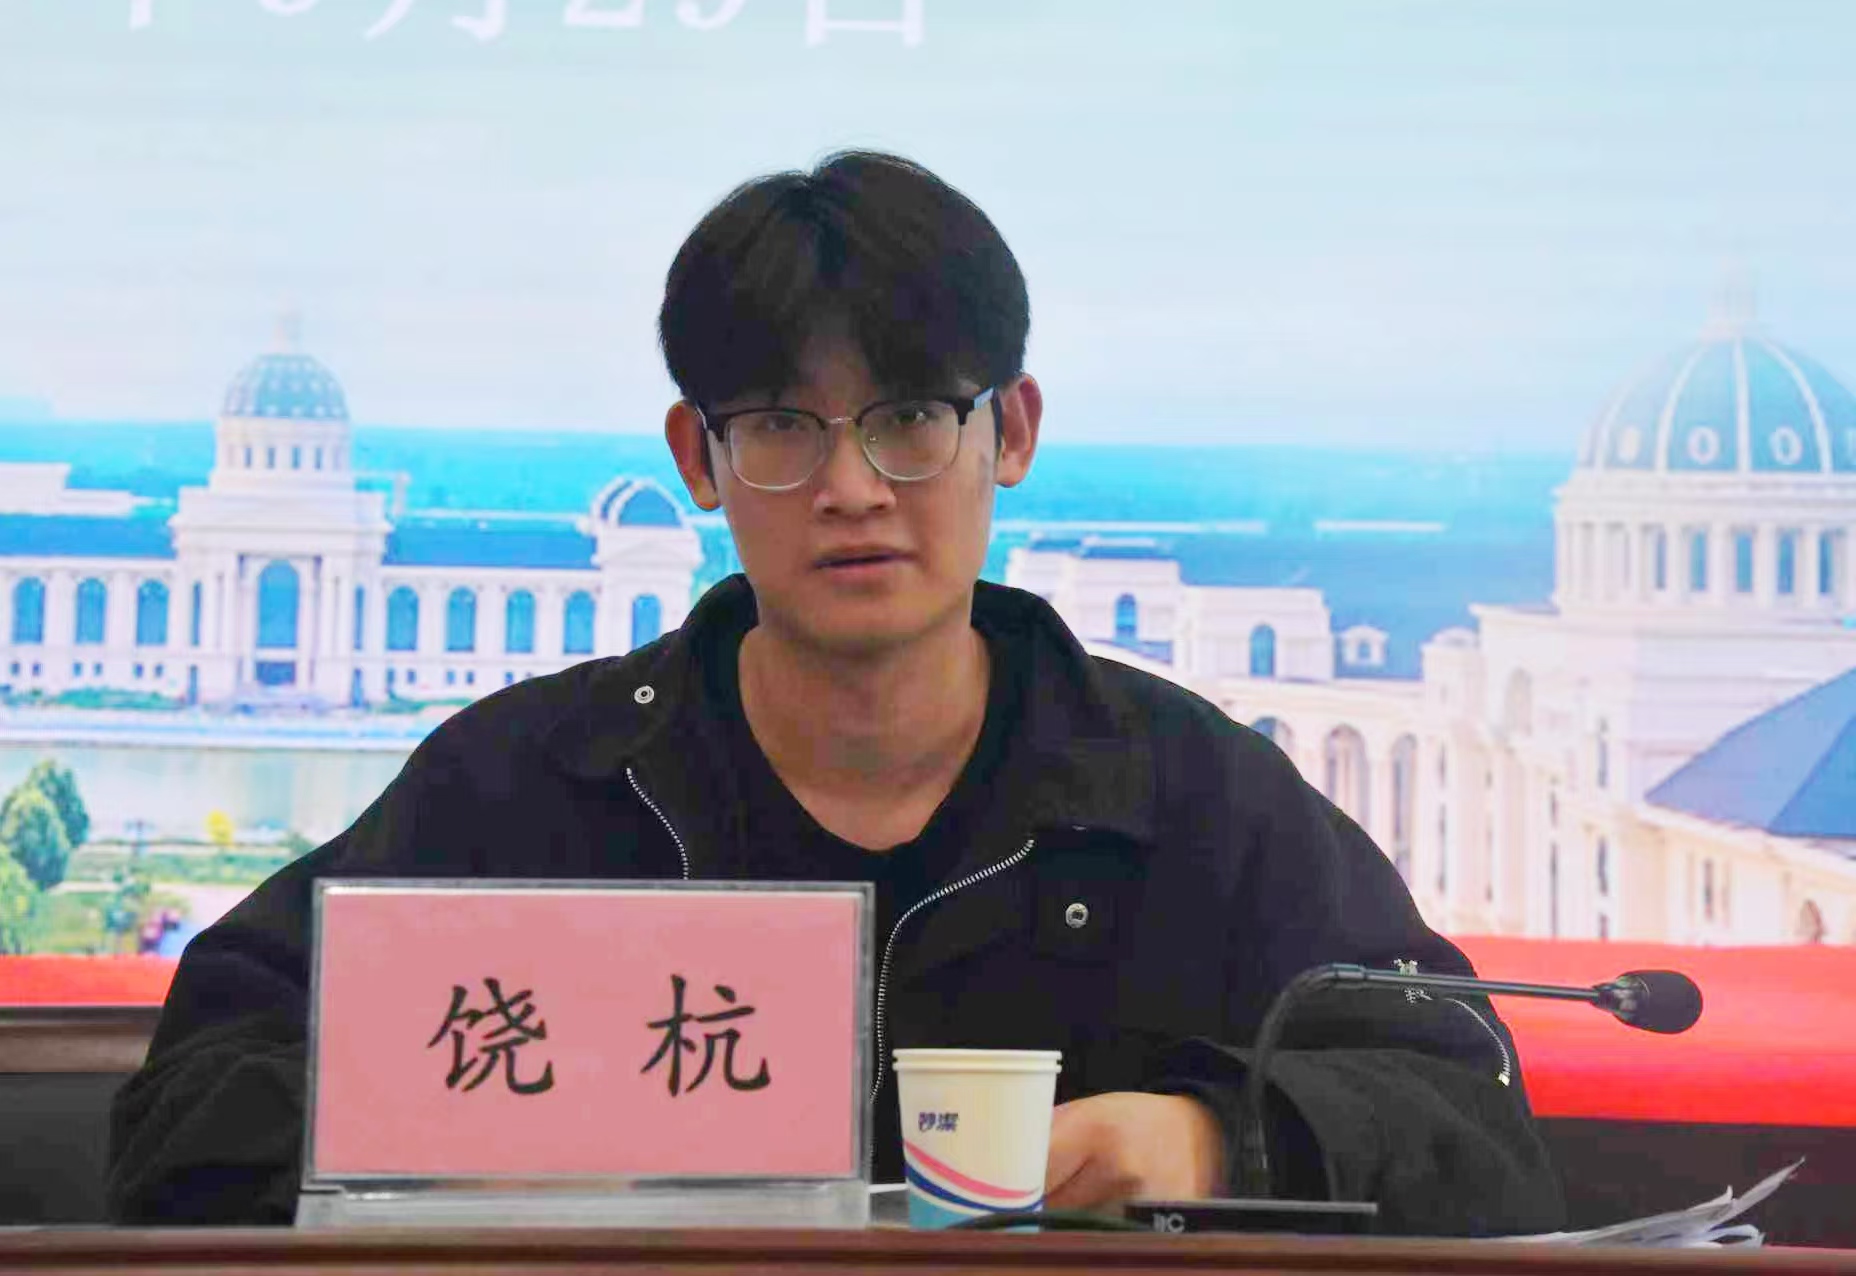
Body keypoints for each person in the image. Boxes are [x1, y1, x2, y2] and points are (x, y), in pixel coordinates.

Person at [109, 151, 1565, 1234]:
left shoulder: (1187, 794)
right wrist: (428, 1153)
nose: (854, 488)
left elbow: (1472, 1120)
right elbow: (191, 1106)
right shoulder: (528, 785)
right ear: (699, 460)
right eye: (782, 427)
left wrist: (1216, 1145)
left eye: (910, 418)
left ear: (1012, 433)